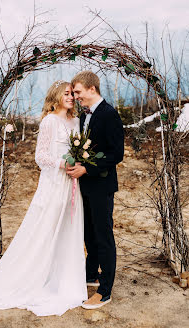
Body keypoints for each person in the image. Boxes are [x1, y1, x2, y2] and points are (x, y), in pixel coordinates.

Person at [0, 81, 87, 316]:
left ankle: (64, 277)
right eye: (66, 94)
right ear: (55, 96)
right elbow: (40, 156)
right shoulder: (49, 121)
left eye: (73, 94)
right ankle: (34, 273)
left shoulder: (76, 122)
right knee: (45, 228)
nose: (71, 97)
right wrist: (62, 163)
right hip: (53, 183)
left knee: (68, 227)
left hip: (72, 184)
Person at [67, 71, 124, 309]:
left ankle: (105, 290)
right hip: (85, 186)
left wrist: (86, 170)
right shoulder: (83, 115)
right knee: (88, 233)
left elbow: (116, 154)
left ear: (92, 89)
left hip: (101, 185)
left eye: (78, 92)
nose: (76, 97)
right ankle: (91, 274)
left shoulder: (109, 114)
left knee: (103, 235)